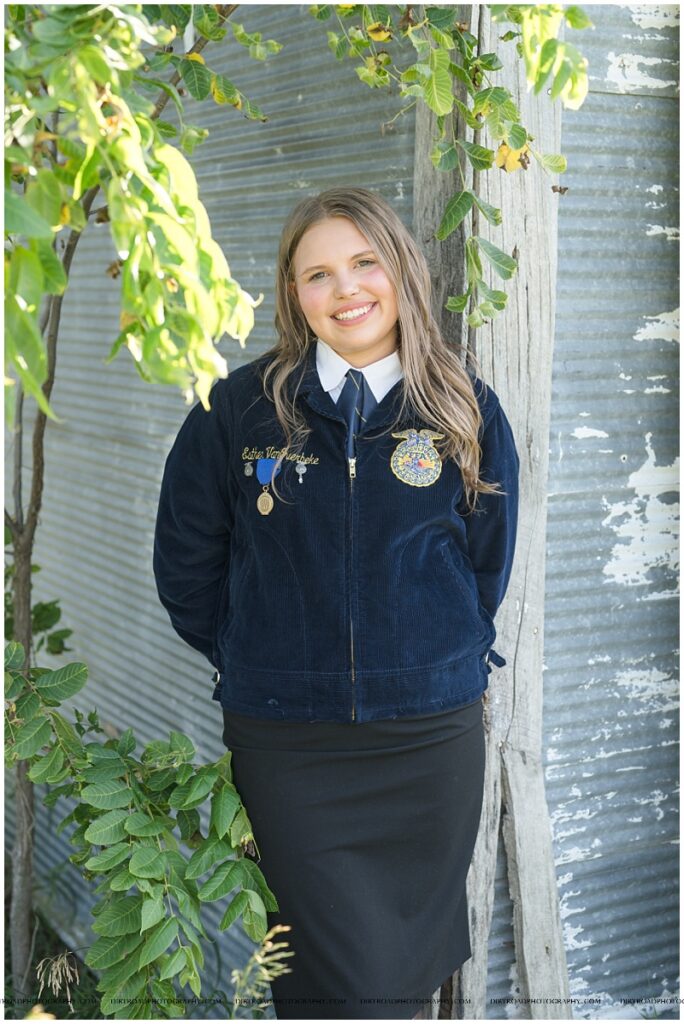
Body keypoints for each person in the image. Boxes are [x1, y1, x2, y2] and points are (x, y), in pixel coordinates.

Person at [153, 186, 520, 1020]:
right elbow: (186, 567)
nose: (345, 289)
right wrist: (264, 652)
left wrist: (435, 651)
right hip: (291, 746)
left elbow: (484, 566)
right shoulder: (237, 411)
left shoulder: (462, 407)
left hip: (429, 741)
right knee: (332, 985)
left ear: (401, 271)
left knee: (398, 977)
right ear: (292, 294)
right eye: (316, 273)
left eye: (363, 263)